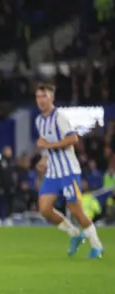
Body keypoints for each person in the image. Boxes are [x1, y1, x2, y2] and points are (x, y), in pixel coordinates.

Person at [33, 83, 103, 258]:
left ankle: (97, 246)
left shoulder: (60, 117)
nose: (41, 100)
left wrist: (48, 145)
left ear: (52, 98)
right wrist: (43, 159)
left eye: (44, 96)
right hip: (53, 173)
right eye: (38, 97)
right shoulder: (39, 120)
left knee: (76, 211)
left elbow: (73, 138)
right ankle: (75, 234)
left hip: (69, 171)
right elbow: (45, 144)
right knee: (44, 209)